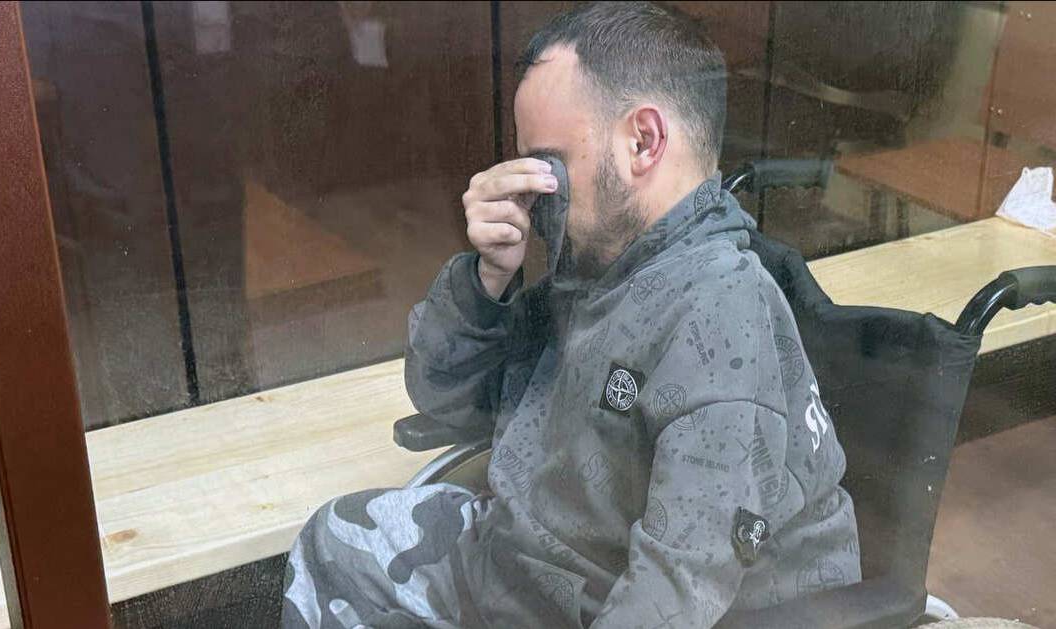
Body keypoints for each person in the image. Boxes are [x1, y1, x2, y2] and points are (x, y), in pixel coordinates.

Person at [282, 3, 860, 627]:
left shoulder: (717, 317)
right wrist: (488, 278)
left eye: (548, 162)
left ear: (643, 142)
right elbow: (444, 398)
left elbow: (673, 595)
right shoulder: (603, 269)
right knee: (334, 545)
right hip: (533, 564)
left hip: (617, 601)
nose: (531, 191)